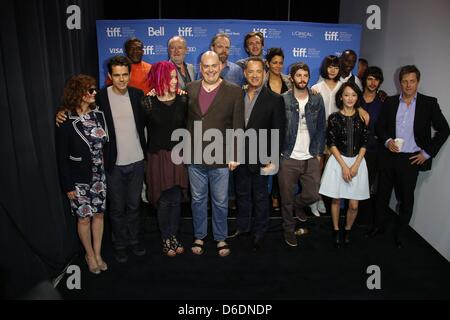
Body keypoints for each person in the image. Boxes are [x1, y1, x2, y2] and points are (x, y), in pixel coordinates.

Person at [56, 56, 147, 263]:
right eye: (117, 75)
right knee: (116, 209)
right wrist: (62, 113)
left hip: (137, 160)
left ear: (130, 75)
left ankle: (134, 240)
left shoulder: (138, 95)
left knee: (134, 206)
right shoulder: (101, 99)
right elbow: (77, 112)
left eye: (125, 74)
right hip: (112, 163)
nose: (122, 79)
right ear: (109, 76)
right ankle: (120, 244)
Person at [368, 65, 449, 248]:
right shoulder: (390, 102)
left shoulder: (429, 103)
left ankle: (400, 234)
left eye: (412, 81)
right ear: (400, 82)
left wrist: (426, 153)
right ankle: (378, 227)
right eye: (405, 81)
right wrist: (388, 141)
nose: (408, 85)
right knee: (381, 195)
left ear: (417, 82)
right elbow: (380, 127)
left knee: (406, 199)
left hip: (411, 160)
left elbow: (444, 130)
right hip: (389, 156)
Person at [186, 51, 245, 257]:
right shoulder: (189, 88)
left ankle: (220, 237)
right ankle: (199, 235)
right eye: (205, 66)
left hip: (221, 157)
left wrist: (236, 153)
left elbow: (238, 124)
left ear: (221, 66)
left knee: (220, 201)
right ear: (200, 67)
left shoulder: (234, 91)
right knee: (197, 199)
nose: (210, 69)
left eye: (214, 65)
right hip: (194, 156)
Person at [228, 57, 285, 251]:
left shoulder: (275, 99)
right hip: (239, 157)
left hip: (262, 157)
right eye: (250, 72)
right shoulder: (238, 95)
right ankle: (243, 227)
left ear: (264, 73)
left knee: (260, 196)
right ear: (245, 74)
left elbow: (279, 131)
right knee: (242, 194)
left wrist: (273, 159)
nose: (254, 75)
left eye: (258, 72)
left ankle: (260, 232)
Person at [55, 75, 108, 274]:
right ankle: (90, 255)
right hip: (79, 178)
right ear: (79, 94)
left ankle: (98, 252)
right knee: (84, 219)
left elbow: (107, 144)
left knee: (99, 216)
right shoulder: (66, 119)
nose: (95, 93)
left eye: (95, 89)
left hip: (99, 176)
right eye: (90, 90)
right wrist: (68, 186)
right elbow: (61, 156)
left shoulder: (98, 115)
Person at [141, 61, 188, 257]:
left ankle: (174, 236)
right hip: (157, 157)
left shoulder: (183, 100)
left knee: (176, 199)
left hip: (178, 155)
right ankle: (166, 237)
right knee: (163, 199)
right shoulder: (147, 102)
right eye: (170, 77)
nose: (174, 81)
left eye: (176, 77)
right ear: (159, 78)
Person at [279, 62, 326, 247]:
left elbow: (322, 127)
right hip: (288, 156)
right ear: (291, 78)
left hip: (311, 156)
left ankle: (299, 206)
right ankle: (289, 230)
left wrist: (319, 153)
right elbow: (277, 126)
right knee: (286, 199)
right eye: (298, 75)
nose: (302, 79)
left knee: (313, 195)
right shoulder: (283, 99)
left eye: (305, 75)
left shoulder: (316, 99)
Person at [319, 82, 370, 248]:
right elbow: (331, 143)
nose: (350, 98)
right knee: (336, 200)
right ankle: (335, 228)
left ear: (357, 97)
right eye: (347, 95)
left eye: (354, 95)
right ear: (341, 97)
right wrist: (344, 166)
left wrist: (355, 165)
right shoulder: (333, 118)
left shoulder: (363, 117)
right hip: (337, 161)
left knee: (354, 205)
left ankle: (347, 229)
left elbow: (364, 142)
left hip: (358, 162)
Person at [309, 55, 343, 216]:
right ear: (325, 68)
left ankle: (325, 197)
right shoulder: (317, 87)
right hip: (319, 133)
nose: (332, 70)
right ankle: (316, 198)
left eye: (336, 67)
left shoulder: (344, 87)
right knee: (317, 167)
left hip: (337, 135)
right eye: (330, 67)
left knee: (331, 169)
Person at [263, 47, 291, 212]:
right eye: (274, 62)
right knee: (264, 164)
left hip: (284, 128)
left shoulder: (289, 81)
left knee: (280, 165)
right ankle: (263, 197)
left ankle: (275, 196)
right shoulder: (261, 80)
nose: (278, 66)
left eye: (281, 63)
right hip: (264, 129)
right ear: (268, 63)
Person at [359, 66, 384, 225]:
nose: (373, 82)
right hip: (352, 150)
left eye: (376, 79)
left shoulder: (383, 103)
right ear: (364, 79)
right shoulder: (355, 98)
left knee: (366, 185)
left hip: (372, 150)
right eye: (370, 78)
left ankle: (362, 219)